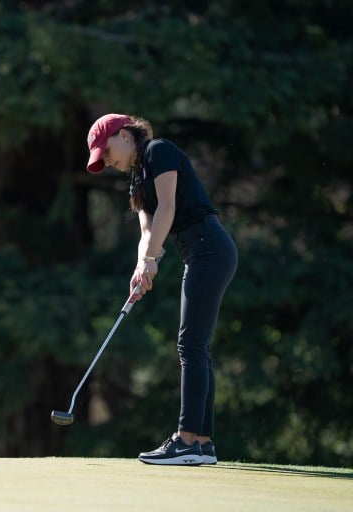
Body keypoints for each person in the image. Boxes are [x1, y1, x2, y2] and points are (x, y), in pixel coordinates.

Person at [86, 113, 238, 465]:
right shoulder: (137, 179)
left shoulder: (159, 151)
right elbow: (147, 230)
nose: (107, 161)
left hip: (210, 248)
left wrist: (153, 259)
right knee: (197, 346)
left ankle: (185, 440)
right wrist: (142, 267)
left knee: (190, 345)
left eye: (106, 151)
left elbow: (168, 208)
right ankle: (201, 443)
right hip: (198, 253)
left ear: (124, 135)